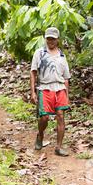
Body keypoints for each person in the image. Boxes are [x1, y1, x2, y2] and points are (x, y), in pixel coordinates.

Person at [30, 27, 71, 156]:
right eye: (48, 39)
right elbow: (33, 72)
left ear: (57, 39)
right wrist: (33, 92)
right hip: (45, 88)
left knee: (60, 116)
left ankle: (58, 147)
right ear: (45, 39)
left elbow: (66, 78)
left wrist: (67, 96)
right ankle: (40, 135)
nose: (50, 41)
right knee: (44, 117)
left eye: (53, 39)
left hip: (59, 88)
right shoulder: (40, 53)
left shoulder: (62, 56)